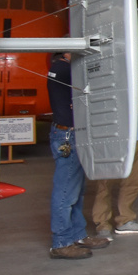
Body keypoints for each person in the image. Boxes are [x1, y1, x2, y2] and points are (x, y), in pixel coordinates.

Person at [48, 53, 107, 260]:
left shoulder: (59, 67)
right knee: (66, 192)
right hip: (68, 134)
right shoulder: (65, 70)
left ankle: (77, 235)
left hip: (68, 132)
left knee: (75, 189)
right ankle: (62, 242)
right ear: (67, 51)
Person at [90, 71, 138, 237]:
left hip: (137, 137)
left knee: (132, 181)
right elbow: (93, 104)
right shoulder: (104, 75)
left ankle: (125, 221)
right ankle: (102, 225)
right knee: (105, 182)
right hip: (111, 138)